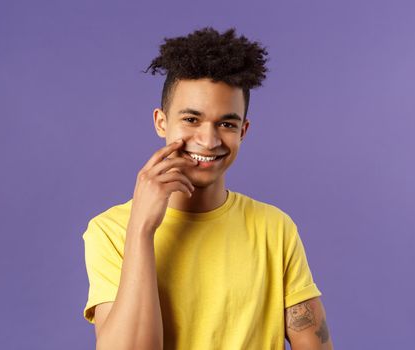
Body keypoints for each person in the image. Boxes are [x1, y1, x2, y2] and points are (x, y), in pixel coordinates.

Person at [82, 26, 333, 350]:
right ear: (161, 122)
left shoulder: (275, 228)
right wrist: (141, 230)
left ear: (243, 130)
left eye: (226, 124)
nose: (209, 140)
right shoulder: (110, 231)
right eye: (191, 119)